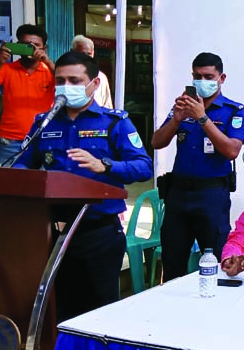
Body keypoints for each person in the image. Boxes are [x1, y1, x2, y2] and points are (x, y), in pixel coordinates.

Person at [14, 51, 152, 321]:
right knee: (60, 312)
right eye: (60, 80)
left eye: (75, 80)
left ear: (94, 84)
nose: (66, 87)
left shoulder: (114, 122)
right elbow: (21, 164)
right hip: (51, 235)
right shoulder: (44, 122)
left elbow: (144, 166)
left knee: (99, 314)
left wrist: (106, 166)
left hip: (98, 234)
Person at [152, 52, 244, 281]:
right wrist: (176, 118)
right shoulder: (183, 106)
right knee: (173, 260)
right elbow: (157, 142)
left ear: (221, 78)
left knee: (215, 261)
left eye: (208, 76)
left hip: (211, 195)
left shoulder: (234, 110)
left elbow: (232, 151)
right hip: (178, 195)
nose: (202, 81)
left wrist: (203, 118)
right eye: (197, 76)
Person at [0, 24, 55, 165]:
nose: (31, 49)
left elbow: (67, 86)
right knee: (8, 185)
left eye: (36, 45)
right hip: (10, 141)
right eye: (26, 45)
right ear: (17, 46)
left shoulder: (50, 70)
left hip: (43, 139)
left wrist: (48, 61)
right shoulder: (6, 68)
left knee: (44, 185)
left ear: (45, 49)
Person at [71, 35, 113, 108]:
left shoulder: (101, 77)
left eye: (89, 54)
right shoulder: (64, 76)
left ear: (93, 53)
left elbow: (107, 106)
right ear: (72, 52)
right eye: (82, 54)